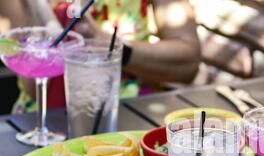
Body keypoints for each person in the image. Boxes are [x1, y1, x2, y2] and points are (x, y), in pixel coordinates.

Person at [12, 0, 201, 113]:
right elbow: (31, 87)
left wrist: (107, 44)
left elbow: (187, 64)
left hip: (130, 109)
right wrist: (39, 11)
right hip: (43, 117)